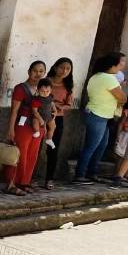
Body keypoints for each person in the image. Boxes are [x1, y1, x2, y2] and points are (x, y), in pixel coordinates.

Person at [74, 52, 126, 184]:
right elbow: (122, 98)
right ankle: (79, 175)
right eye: (122, 61)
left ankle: (92, 173)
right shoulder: (108, 79)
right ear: (113, 64)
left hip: (101, 115)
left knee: (101, 146)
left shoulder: (97, 76)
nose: (124, 64)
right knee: (91, 146)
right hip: (98, 115)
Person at [2, 61, 47, 195]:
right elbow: (14, 111)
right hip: (22, 126)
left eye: (41, 71)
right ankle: (10, 184)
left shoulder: (44, 89)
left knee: (31, 156)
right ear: (29, 71)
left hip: (38, 127)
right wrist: (11, 129)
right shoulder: (21, 88)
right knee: (17, 155)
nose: (37, 74)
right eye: (35, 71)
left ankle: (24, 182)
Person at [42, 57, 74, 189]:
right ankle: (27, 177)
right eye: (62, 67)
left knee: (53, 149)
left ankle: (49, 179)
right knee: (35, 148)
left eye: (68, 69)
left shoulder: (68, 86)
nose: (64, 71)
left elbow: (69, 105)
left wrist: (61, 107)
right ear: (55, 67)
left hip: (57, 119)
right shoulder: (45, 81)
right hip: (41, 117)